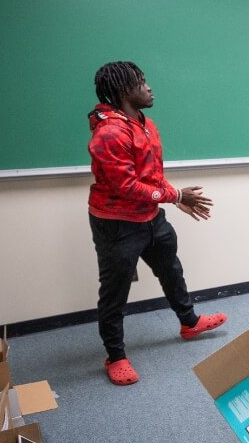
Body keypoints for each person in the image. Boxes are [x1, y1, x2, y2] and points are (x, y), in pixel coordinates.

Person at [87, 61, 228, 386]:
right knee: (114, 291)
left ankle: (189, 322)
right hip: (116, 224)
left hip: (151, 216)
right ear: (124, 91)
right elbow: (125, 186)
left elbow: (150, 175)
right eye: (141, 83)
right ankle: (116, 355)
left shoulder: (145, 123)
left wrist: (170, 197)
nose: (149, 87)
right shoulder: (109, 133)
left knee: (171, 269)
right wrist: (176, 195)